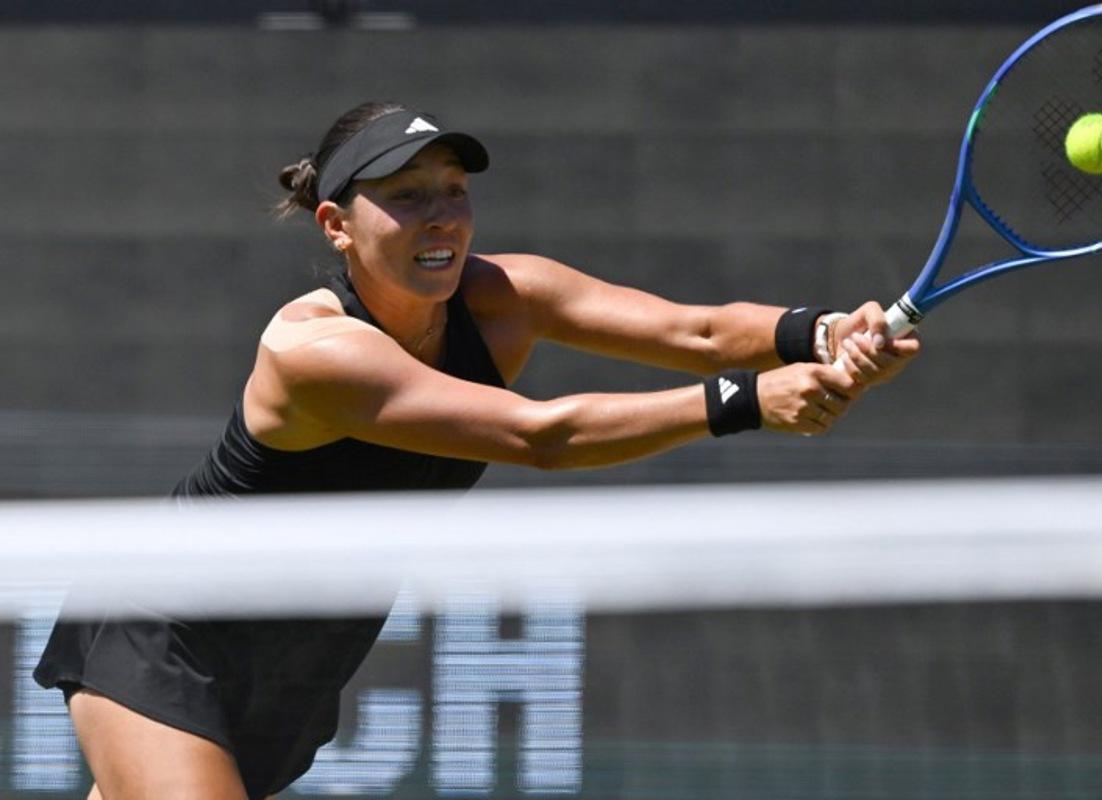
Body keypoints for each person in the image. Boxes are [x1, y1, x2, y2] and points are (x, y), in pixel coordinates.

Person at [34, 101, 920, 799]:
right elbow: (543, 436)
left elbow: (695, 329)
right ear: (337, 225)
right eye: (408, 196)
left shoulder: (506, 296)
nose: (441, 216)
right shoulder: (314, 353)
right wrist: (747, 403)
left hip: (299, 659)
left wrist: (823, 333)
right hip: (169, 625)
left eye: (453, 189)